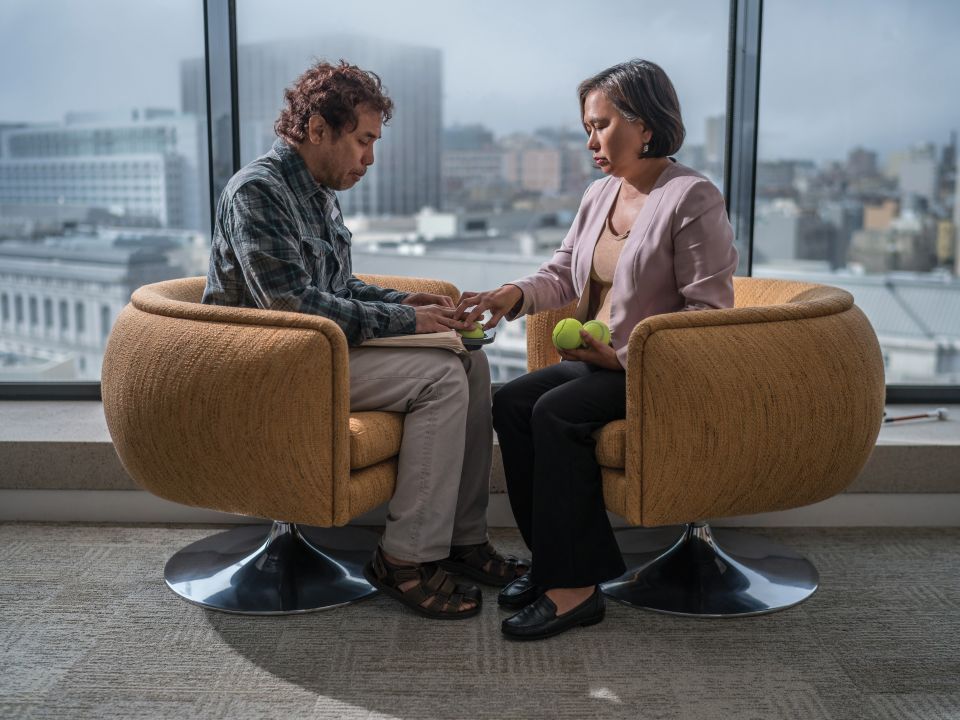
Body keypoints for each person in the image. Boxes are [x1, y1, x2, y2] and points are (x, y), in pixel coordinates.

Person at [203, 60, 526, 620]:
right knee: (440, 376)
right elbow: (290, 306)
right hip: (268, 366)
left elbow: (336, 286)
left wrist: (408, 304)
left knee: (470, 363)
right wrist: (408, 325)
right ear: (317, 129)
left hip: (317, 354)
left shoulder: (319, 192)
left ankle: (460, 540)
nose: (370, 159)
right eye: (362, 141)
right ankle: (403, 560)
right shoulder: (256, 192)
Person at [457, 59, 739, 640]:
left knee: (554, 412)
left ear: (645, 124)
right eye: (586, 127)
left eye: (601, 125)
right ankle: (553, 565)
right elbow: (563, 273)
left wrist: (627, 355)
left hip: (657, 368)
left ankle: (576, 589)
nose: (590, 140)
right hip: (598, 360)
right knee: (511, 404)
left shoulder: (693, 197)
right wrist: (513, 294)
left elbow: (710, 312)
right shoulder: (599, 194)